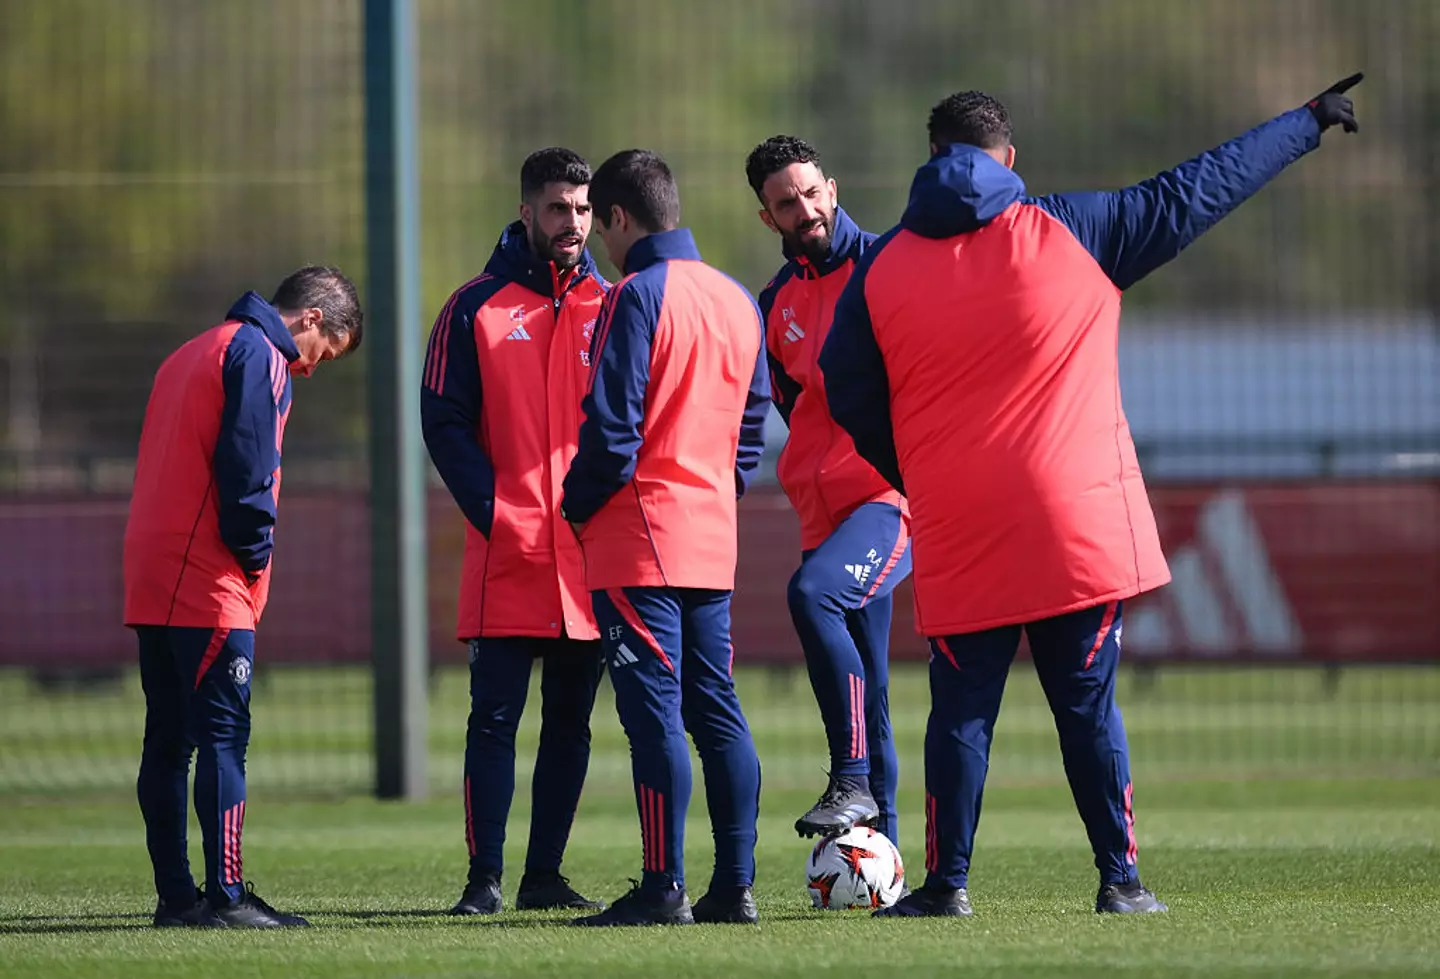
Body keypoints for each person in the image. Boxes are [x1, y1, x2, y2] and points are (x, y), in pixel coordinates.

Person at [820, 75, 1363, 918]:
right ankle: (1121, 881)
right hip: (1071, 522)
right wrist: (1307, 122)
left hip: (960, 522)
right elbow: (1198, 190)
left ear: (932, 158)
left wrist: (916, 466)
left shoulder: (881, 266)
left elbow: (842, 386)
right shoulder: (1075, 229)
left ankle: (945, 884)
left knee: (961, 711)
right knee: (1086, 705)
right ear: (1008, 158)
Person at [560, 149, 770, 927]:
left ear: (618, 217)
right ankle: (735, 887)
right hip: (710, 534)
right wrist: (717, 488)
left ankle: (662, 886)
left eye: (601, 224)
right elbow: (753, 424)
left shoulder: (632, 296)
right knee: (716, 707)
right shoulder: (736, 298)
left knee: (652, 713)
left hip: (638, 536)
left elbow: (611, 433)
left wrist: (576, 505)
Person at [123, 265, 363, 928]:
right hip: (208, 577)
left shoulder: (190, 351)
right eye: (326, 352)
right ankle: (226, 895)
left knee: (168, 740)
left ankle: (177, 897)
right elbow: (249, 472)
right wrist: (255, 558)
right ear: (311, 319)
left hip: (151, 573)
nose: (313, 368)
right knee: (224, 735)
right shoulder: (261, 355)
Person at [421, 147, 610, 917]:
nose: (573, 223)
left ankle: (543, 875)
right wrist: (497, 512)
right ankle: (483, 879)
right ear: (526, 209)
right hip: (507, 553)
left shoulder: (615, 300)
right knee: (492, 720)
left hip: (589, 556)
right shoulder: (474, 307)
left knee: (571, 723)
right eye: (559, 208)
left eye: (584, 209)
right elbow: (443, 420)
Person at [744, 136, 911, 843]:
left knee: (813, 594)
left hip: (888, 499)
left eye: (811, 193)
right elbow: (790, 404)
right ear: (767, 218)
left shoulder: (887, 269)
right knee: (869, 693)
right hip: (824, 511)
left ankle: (849, 779)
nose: (803, 208)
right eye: (786, 202)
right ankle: (890, 857)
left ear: (833, 189)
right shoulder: (773, 302)